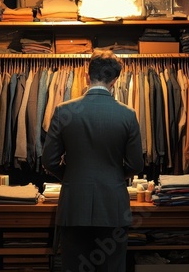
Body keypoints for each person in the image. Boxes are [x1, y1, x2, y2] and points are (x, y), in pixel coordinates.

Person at [42, 49, 144, 272]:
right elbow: (136, 164)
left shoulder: (63, 111)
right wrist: (116, 175)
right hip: (113, 205)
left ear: (87, 76)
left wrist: (69, 175)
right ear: (115, 81)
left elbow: (48, 160)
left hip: (74, 204)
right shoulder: (128, 114)